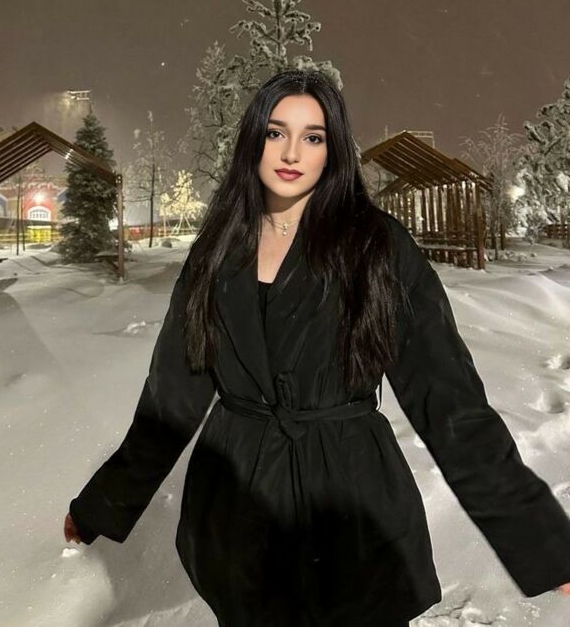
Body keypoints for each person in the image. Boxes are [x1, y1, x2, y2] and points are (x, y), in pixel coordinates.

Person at [65, 69, 570, 626]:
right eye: (276, 132)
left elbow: (448, 401)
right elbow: (172, 396)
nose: (291, 153)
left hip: (351, 500)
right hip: (238, 505)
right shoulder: (217, 247)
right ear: (253, 140)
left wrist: (541, 538)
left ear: (333, 150)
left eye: (313, 136)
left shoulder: (375, 246)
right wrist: (103, 504)